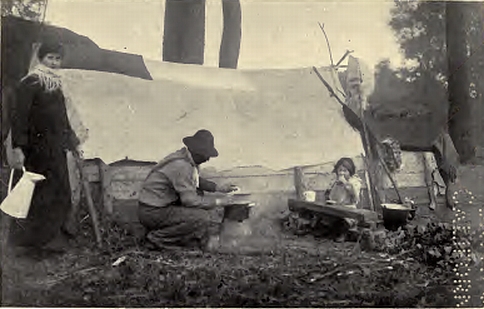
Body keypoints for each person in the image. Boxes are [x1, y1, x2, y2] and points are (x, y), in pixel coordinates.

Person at [8, 41, 80, 255]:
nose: (54, 62)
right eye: (50, 57)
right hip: (36, 150)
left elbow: (61, 118)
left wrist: (72, 141)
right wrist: (19, 147)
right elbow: (19, 117)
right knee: (38, 195)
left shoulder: (55, 85)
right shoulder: (30, 83)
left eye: (58, 58)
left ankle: (50, 240)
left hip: (54, 149)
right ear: (41, 58)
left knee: (60, 193)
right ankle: (30, 244)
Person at [137, 129, 238, 251]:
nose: (207, 159)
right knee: (201, 217)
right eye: (206, 154)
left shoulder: (185, 159)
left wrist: (218, 188)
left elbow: (193, 180)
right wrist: (218, 202)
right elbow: (190, 201)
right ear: (197, 152)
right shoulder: (182, 166)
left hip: (154, 209)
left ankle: (176, 238)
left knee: (198, 201)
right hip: (153, 212)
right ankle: (156, 239)